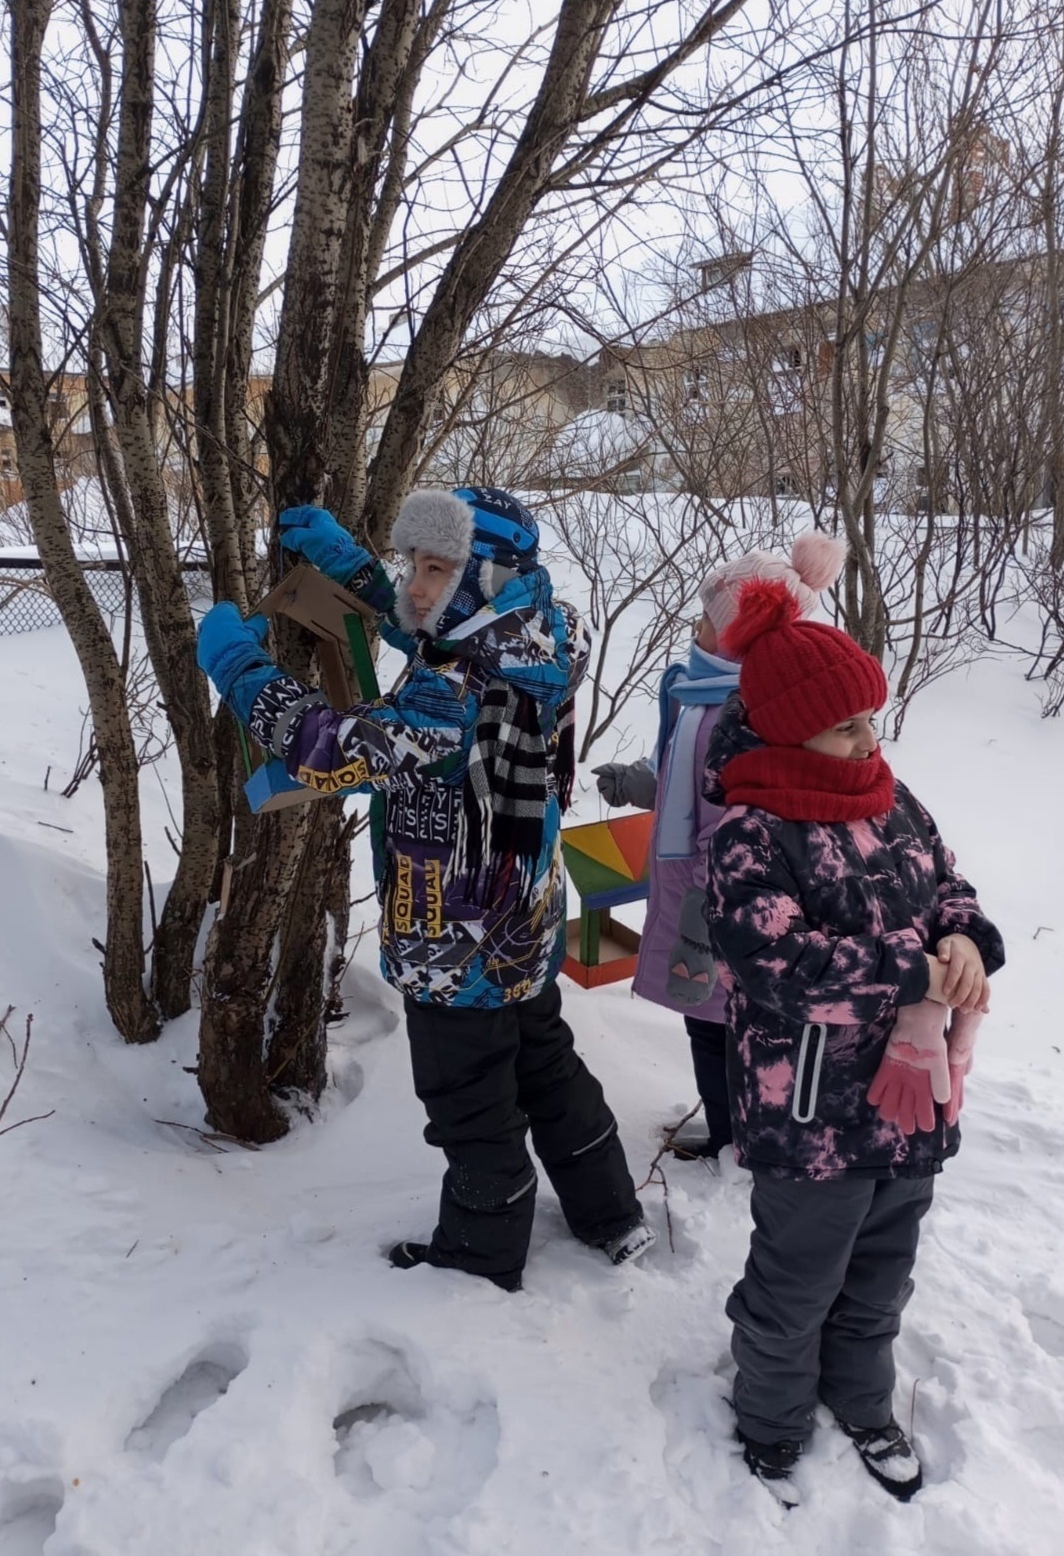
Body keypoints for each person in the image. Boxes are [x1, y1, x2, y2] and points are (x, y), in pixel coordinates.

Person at [196, 486, 654, 1293]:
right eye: (413, 563)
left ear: (485, 577)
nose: (415, 583)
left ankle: (482, 1254)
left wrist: (233, 661)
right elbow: (439, 625)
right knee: (547, 1065)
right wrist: (352, 565)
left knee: (468, 1100)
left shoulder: (449, 699)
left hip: (455, 939)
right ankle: (611, 1212)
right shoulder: (548, 629)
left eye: (436, 567)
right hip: (527, 916)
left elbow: (323, 746)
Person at [704, 578, 1004, 1507]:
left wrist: (964, 940)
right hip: (813, 1113)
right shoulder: (753, 827)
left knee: (881, 1268)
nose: (870, 741)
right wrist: (913, 973)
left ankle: (861, 1397)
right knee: (797, 1280)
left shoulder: (893, 798)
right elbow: (775, 962)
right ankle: (772, 1418)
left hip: (910, 1102)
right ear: (791, 733)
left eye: (872, 718)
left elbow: (952, 888)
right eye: (845, 727)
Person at [592, 533, 846, 1160]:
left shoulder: (736, 714)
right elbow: (704, 790)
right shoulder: (712, 697)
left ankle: (742, 1138)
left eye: (708, 617)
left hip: (718, 901)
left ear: (743, 635)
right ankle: (752, 1129)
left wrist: (709, 892)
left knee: (714, 1023)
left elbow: (740, 818)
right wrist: (648, 783)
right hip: (712, 894)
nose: (697, 626)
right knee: (726, 1018)